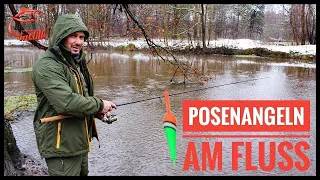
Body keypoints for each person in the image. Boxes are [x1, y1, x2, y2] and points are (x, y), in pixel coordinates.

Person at [31, 14, 117, 176]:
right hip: (61, 146)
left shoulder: (75, 63)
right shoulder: (47, 66)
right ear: (60, 36)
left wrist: (97, 112)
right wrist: (99, 104)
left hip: (79, 141)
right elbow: (67, 103)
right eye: (73, 35)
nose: (78, 41)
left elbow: (82, 96)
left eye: (82, 37)